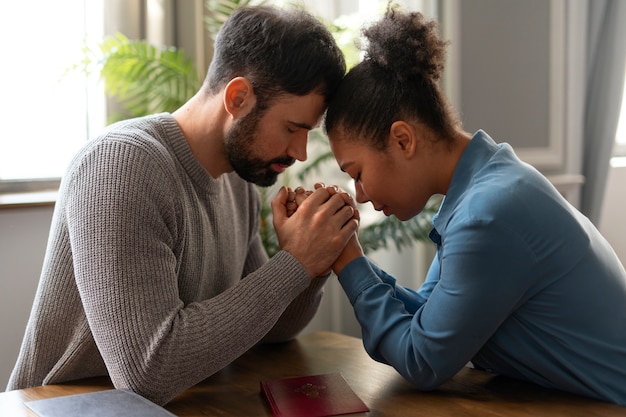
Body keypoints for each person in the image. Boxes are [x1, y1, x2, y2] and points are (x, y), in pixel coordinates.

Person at [6, 5, 359, 406]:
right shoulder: (121, 165)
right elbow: (146, 372)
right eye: (292, 129)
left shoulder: (237, 182)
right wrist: (294, 261)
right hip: (62, 407)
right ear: (238, 97)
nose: (299, 151)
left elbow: (273, 328)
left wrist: (312, 261)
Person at [320, 5, 626, 406]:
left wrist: (348, 263)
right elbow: (431, 317)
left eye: (357, 172)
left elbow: (423, 359)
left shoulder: (488, 213)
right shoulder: (488, 181)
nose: (358, 193)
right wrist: (348, 252)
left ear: (402, 140)